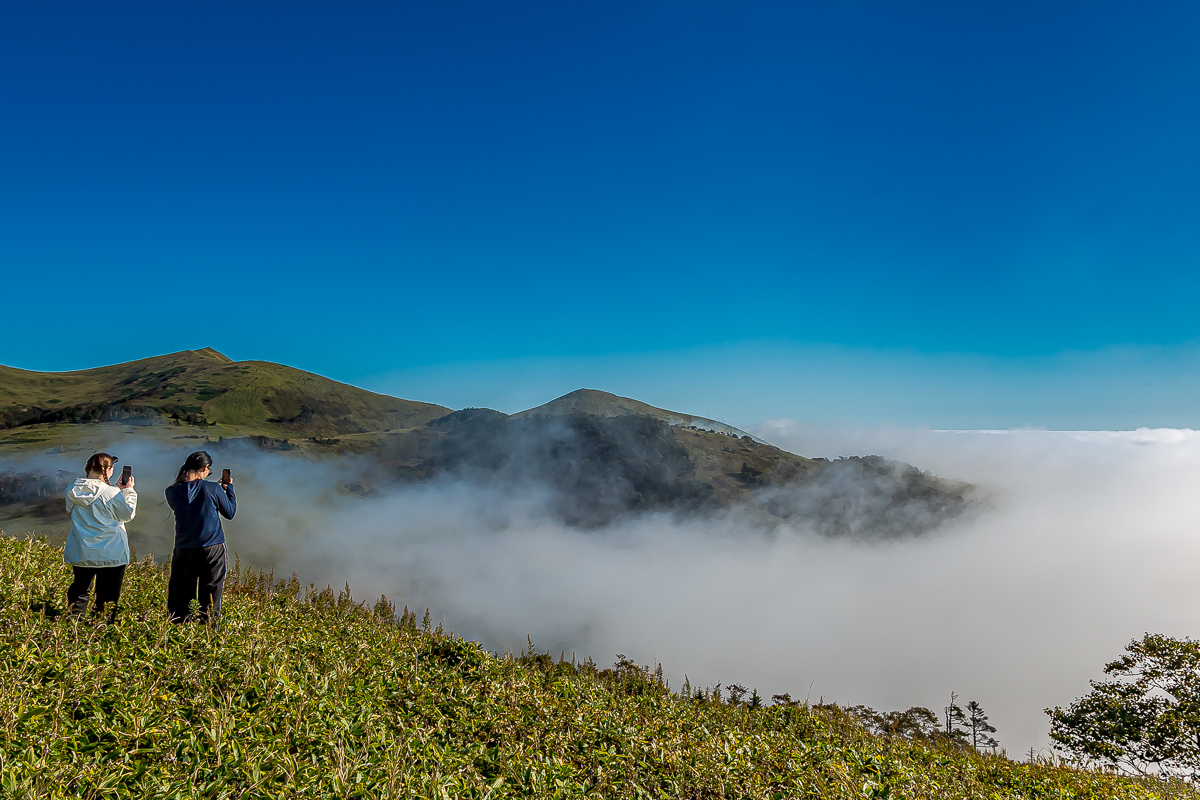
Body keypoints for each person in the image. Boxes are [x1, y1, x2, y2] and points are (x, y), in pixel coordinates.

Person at [165, 451, 235, 626]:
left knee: (182, 594)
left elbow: (191, 501)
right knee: (211, 593)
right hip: (212, 547)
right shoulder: (212, 488)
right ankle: (209, 635)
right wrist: (228, 490)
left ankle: (179, 632)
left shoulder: (171, 491)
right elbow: (230, 512)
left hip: (183, 549)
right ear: (205, 468)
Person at [64, 452, 137, 621]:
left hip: (81, 549)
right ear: (108, 469)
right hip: (111, 552)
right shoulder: (111, 493)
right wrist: (128, 492)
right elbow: (127, 514)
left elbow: (77, 507)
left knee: (80, 591)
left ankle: (74, 627)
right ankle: (101, 630)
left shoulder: (72, 489)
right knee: (107, 596)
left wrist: (116, 491)